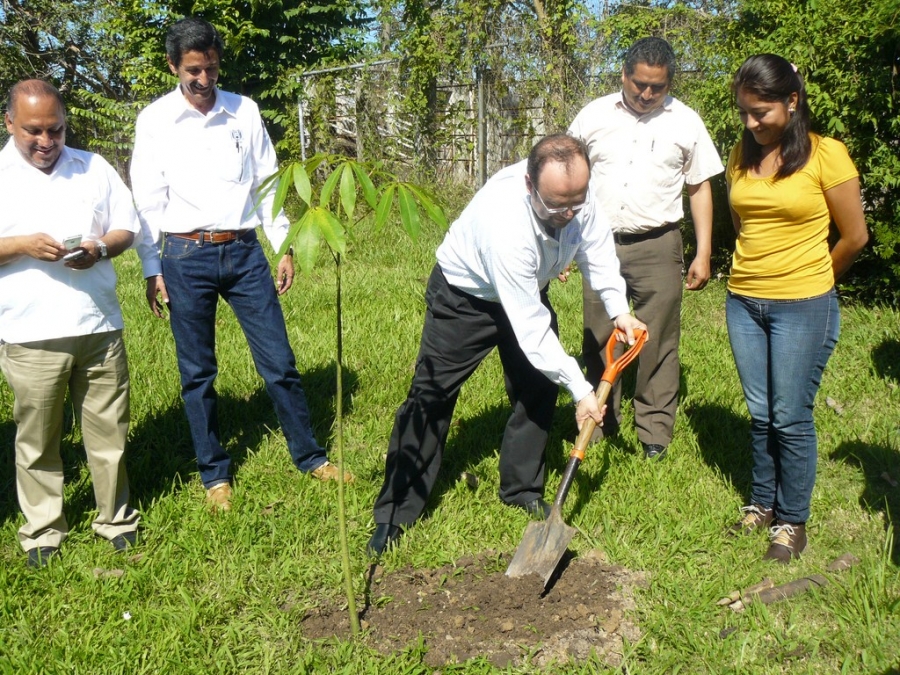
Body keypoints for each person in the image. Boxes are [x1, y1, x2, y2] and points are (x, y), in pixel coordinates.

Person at [367, 134, 647, 556]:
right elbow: (531, 329)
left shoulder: (575, 200)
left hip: (526, 292)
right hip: (465, 298)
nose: (567, 214)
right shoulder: (506, 220)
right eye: (556, 206)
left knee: (537, 386)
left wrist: (618, 309)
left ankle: (521, 488)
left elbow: (597, 251)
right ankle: (396, 512)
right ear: (529, 185)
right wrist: (583, 389)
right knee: (431, 395)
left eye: (576, 202)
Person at [130, 17, 351, 513]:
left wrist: (283, 245)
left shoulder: (243, 111)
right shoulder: (155, 121)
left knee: (279, 363)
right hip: (185, 255)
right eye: (193, 71)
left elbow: (267, 184)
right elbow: (146, 201)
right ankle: (214, 474)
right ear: (173, 66)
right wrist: (151, 267)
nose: (204, 80)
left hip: (246, 251)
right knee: (198, 373)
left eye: (210, 69)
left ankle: (311, 457)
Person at [725, 54, 867, 562]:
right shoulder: (740, 156)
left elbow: (854, 237)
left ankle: (791, 521)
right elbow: (744, 225)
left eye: (760, 112)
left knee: (789, 415)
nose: (751, 123)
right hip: (743, 301)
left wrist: (812, 277)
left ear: (792, 101)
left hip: (803, 304)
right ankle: (761, 503)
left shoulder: (827, 155)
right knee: (761, 413)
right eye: (744, 112)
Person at [0, 80, 141, 567]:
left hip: (98, 323)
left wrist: (101, 247)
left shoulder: (93, 166)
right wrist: (20, 245)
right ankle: (43, 530)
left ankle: (115, 518)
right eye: (33, 131)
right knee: (38, 438)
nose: (45, 141)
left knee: (109, 431)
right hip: (30, 332)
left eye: (55, 130)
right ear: (9, 123)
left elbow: (128, 226)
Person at [568, 36, 724, 460]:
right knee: (600, 336)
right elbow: (569, 179)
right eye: (639, 84)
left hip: (659, 244)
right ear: (624, 74)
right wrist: (563, 246)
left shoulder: (686, 121)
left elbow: (699, 187)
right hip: (598, 243)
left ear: (670, 82)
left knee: (657, 339)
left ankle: (654, 428)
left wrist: (703, 251)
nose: (647, 94)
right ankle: (599, 419)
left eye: (657, 87)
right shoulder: (593, 116)